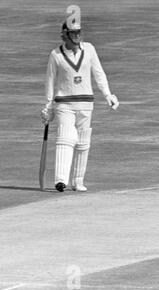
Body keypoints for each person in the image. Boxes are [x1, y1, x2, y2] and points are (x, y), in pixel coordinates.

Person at [40, 19, 119, 192]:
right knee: (66, 138)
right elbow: (50, 81)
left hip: (86, 103)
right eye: (73, 33)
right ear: (64, 35)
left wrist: (108, 94)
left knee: (83, 143)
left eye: (79, 32)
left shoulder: (89, 49)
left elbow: (99, 73)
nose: (77, 36)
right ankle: (60, 180)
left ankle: (77, 181)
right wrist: (48, 106)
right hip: (64, 104)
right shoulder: (56, 55)